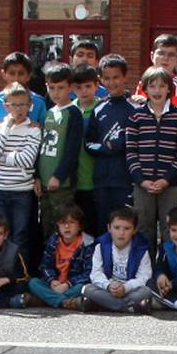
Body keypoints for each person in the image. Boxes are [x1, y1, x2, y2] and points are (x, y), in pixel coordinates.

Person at [126, 66, 177, 251]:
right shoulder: (136, 116)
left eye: (162, 86)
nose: (157, 90)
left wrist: (166, 178)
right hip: (142, 185)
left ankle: (168, 272)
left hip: (170, 184)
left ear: (169, 88)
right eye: (152, 86)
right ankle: (148, 273)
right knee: (144, 229)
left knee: (171, 228)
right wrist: (141, 180)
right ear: (145, 89)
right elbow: (131, 151)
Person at [0, 83, 41, 263]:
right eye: (14, 105)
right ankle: (1, 270)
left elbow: (27, 160)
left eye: (23, 104)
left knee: (20, 234)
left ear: (30, 106)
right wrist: (6, 126)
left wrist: (1, 158)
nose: (19, 109)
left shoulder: (33, 129)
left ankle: (19, 274)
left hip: (21, 191)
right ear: (5, 106)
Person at [85, 55, 136, 237]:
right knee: (103, 226)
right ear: (100, 80)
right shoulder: (99, 109)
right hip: (101, 180)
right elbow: (88, 142)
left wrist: (119, 144)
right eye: (107, 78)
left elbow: (136, 141)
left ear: (125, 77)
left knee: (125, 225)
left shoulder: (135, 109)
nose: (112, 82)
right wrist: (104, 148)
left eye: (116, 77)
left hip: (125, 180)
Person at [35, 62, 84, 240]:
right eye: (51, 87)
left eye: (61, 88)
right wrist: (38, 176)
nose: (56, 92)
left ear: (70, 87)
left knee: (63, 225)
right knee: (46, 224)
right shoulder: (48, 112)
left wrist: (59, 175)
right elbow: (40, 148)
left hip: (62, 183)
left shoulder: (73, 113)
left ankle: (64, 264)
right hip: (45, 181)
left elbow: (72, 150)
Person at [24, 204, 94, 310]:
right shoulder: (53, 241)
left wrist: (68, 284)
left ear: (79, 226)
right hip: (55, 285)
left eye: (71, 223)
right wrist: (51, 280)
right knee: (33, 282)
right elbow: (45, 266)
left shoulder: (87, 244)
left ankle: (47, 300)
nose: (67, 227)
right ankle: (64, 302)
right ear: (58, 225)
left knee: (84, 288)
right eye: (63, 223)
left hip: (73, 286)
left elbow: (88, 273)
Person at [85, 206, 154, 313]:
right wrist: (108, 286)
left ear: (134, 230)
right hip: (109, 288)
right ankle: (128, 307)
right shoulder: (101, 246)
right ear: (109, 228)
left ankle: (104, 305)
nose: (121, 233)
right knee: (88, 289)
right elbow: (96, 273)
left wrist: (126, 287)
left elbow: (144, 276)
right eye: (117, 228)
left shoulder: (141, 250)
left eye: (127, 228)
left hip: (130, 290)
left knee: (146, 291)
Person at [69, 64, 102, 233]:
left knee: (93, 227)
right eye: (78, 87)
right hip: (72, 182)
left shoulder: (102, 109)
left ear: (97, 85)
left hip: (95, 180)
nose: (84, 91)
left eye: (88, 86)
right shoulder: (68, 110)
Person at [0, 52, 47, 134]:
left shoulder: (39, 102)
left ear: (28, 76)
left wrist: (39, 128)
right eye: (12, 73)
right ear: (4, 74)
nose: (16, 78)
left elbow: (46, 131)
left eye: (21, 73)